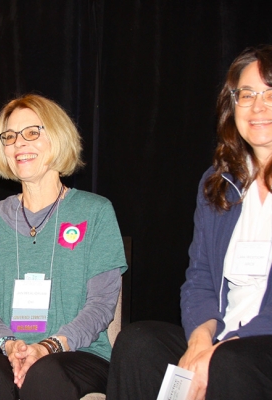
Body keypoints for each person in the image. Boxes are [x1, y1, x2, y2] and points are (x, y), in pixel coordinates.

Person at [107, 45, 272, 400]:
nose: (259, 106)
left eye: (271, 93)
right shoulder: (218, 183)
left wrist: (221, 350)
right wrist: (199, 338)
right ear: (233, 105)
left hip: (258, 344)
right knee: (138, 343)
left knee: (230, 362)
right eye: (248, 94)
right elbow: (198, 278)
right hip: (224, 337)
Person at [0, 94, 127, 399]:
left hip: (78, 353)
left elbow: (102, 305)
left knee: (46, 375)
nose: (18, 144)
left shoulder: (96, 212)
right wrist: (10, 345)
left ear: (58, 138)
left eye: (32, 133)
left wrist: (48, 346)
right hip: (3, 351)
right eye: (9, 136)